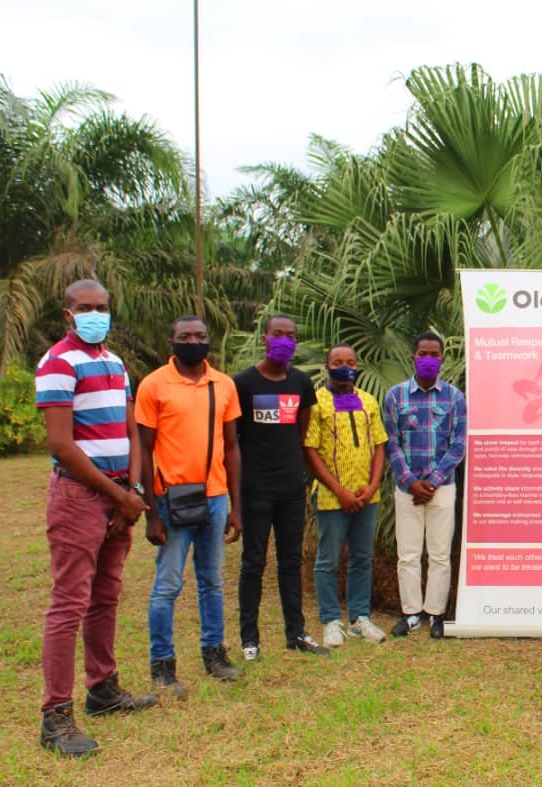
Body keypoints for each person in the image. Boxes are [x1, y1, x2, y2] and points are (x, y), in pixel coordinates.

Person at [34, 280, 155, 757]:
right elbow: (61, 445)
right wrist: (117, 494)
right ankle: (56, 716)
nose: (95, 314)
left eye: (102, 307)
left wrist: (135, 491)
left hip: (120, 495)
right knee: (69, 602)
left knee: (106, 595)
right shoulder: (58, 362)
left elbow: (130, 430)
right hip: (80, 496)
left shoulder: (114, 362)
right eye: (85, 308)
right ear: (68, 315)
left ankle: (102, 688)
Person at [135, 316, 243, 696]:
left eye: (200, 336)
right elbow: (144, 451)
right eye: (185, 336)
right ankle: (162, 665)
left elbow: (231, 447)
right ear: (172, 341)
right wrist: (150, 511)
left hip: (214, 498)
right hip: (170, 499)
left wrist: (235, 505)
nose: (193, 341)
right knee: (167, 585)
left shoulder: (224, 384)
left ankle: (214, 653)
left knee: (212, 581)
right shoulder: (154, 385)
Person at [233, 314, 326, 660]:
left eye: (291, 335)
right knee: (253, 563)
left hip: (291, 489)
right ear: (264, 339)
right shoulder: (243, 383)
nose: (284, 340)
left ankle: (296, 633)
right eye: (278, 334)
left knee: (290, 561)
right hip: (255, 488)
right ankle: (249, 639)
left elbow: (300, 434)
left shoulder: (301, 383)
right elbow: (234, 439)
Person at [383, 332, 467, 639]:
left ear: (442, 359)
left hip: (442, 488)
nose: (428, 359)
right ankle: (411, 613)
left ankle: (435, 614)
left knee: (440, 554)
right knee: (407, 554)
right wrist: (410, 481)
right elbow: (391, 444)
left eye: (434, 354)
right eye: (423, 354)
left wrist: (431, 482)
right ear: (413, 357)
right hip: (407, 489)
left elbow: (458, 445)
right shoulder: (395, 396)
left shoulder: (454, 397)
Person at [304, 344, 389, 647]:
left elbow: (380, 444)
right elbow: (310, 450)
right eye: (338, 362)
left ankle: (359, 619)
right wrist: (339, 491)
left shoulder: (369, 402)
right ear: (327, 367)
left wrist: (372, 485)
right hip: (331, 496)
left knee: (362, 558)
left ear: (358, 366)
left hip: (367, 495)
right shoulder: (315, 402)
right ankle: (330, 620)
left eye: (351, 361)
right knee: (328, 560)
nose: (345, 366)